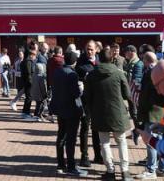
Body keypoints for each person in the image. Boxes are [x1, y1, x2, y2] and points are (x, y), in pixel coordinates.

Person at [84, 48, 134, 178]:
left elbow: (87, 97)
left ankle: (110, 171)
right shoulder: (119, 73)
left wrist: (89, 111)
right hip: (118, 112)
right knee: (122, 141)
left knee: (104, 142)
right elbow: (127, 95)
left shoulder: (92, 75)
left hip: (100, 113)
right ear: (112, 59)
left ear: (99, 59)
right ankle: (125, 171)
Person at [50, 50, 87, 177]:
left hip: (60, 108)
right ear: (75, 61)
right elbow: (76, 94)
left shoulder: (57, 71)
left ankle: (61, 164)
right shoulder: (72, 74)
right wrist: (81, 89)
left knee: (61, 136)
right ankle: (71, 166)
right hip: (71, 110)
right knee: (71, 139)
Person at [134, 51, 164, 180]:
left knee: (151, 142)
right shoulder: (162, 70)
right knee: (162, 141)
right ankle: (163, 168)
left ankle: (150, 169)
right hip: (162, 112)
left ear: (145, 60)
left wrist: (142, 111)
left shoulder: (151, 73)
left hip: (152, 112)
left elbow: (146, 95)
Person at [76, 41, 102, 167]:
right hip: (85, 101)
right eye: (87, 49)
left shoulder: (100, 61)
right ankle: (84, 155)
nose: (89, 51)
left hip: (98, 101)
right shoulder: (81, 63)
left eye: (91, 49)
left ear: (96, 49)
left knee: (97, 129)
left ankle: (98, 155)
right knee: (85, 128)